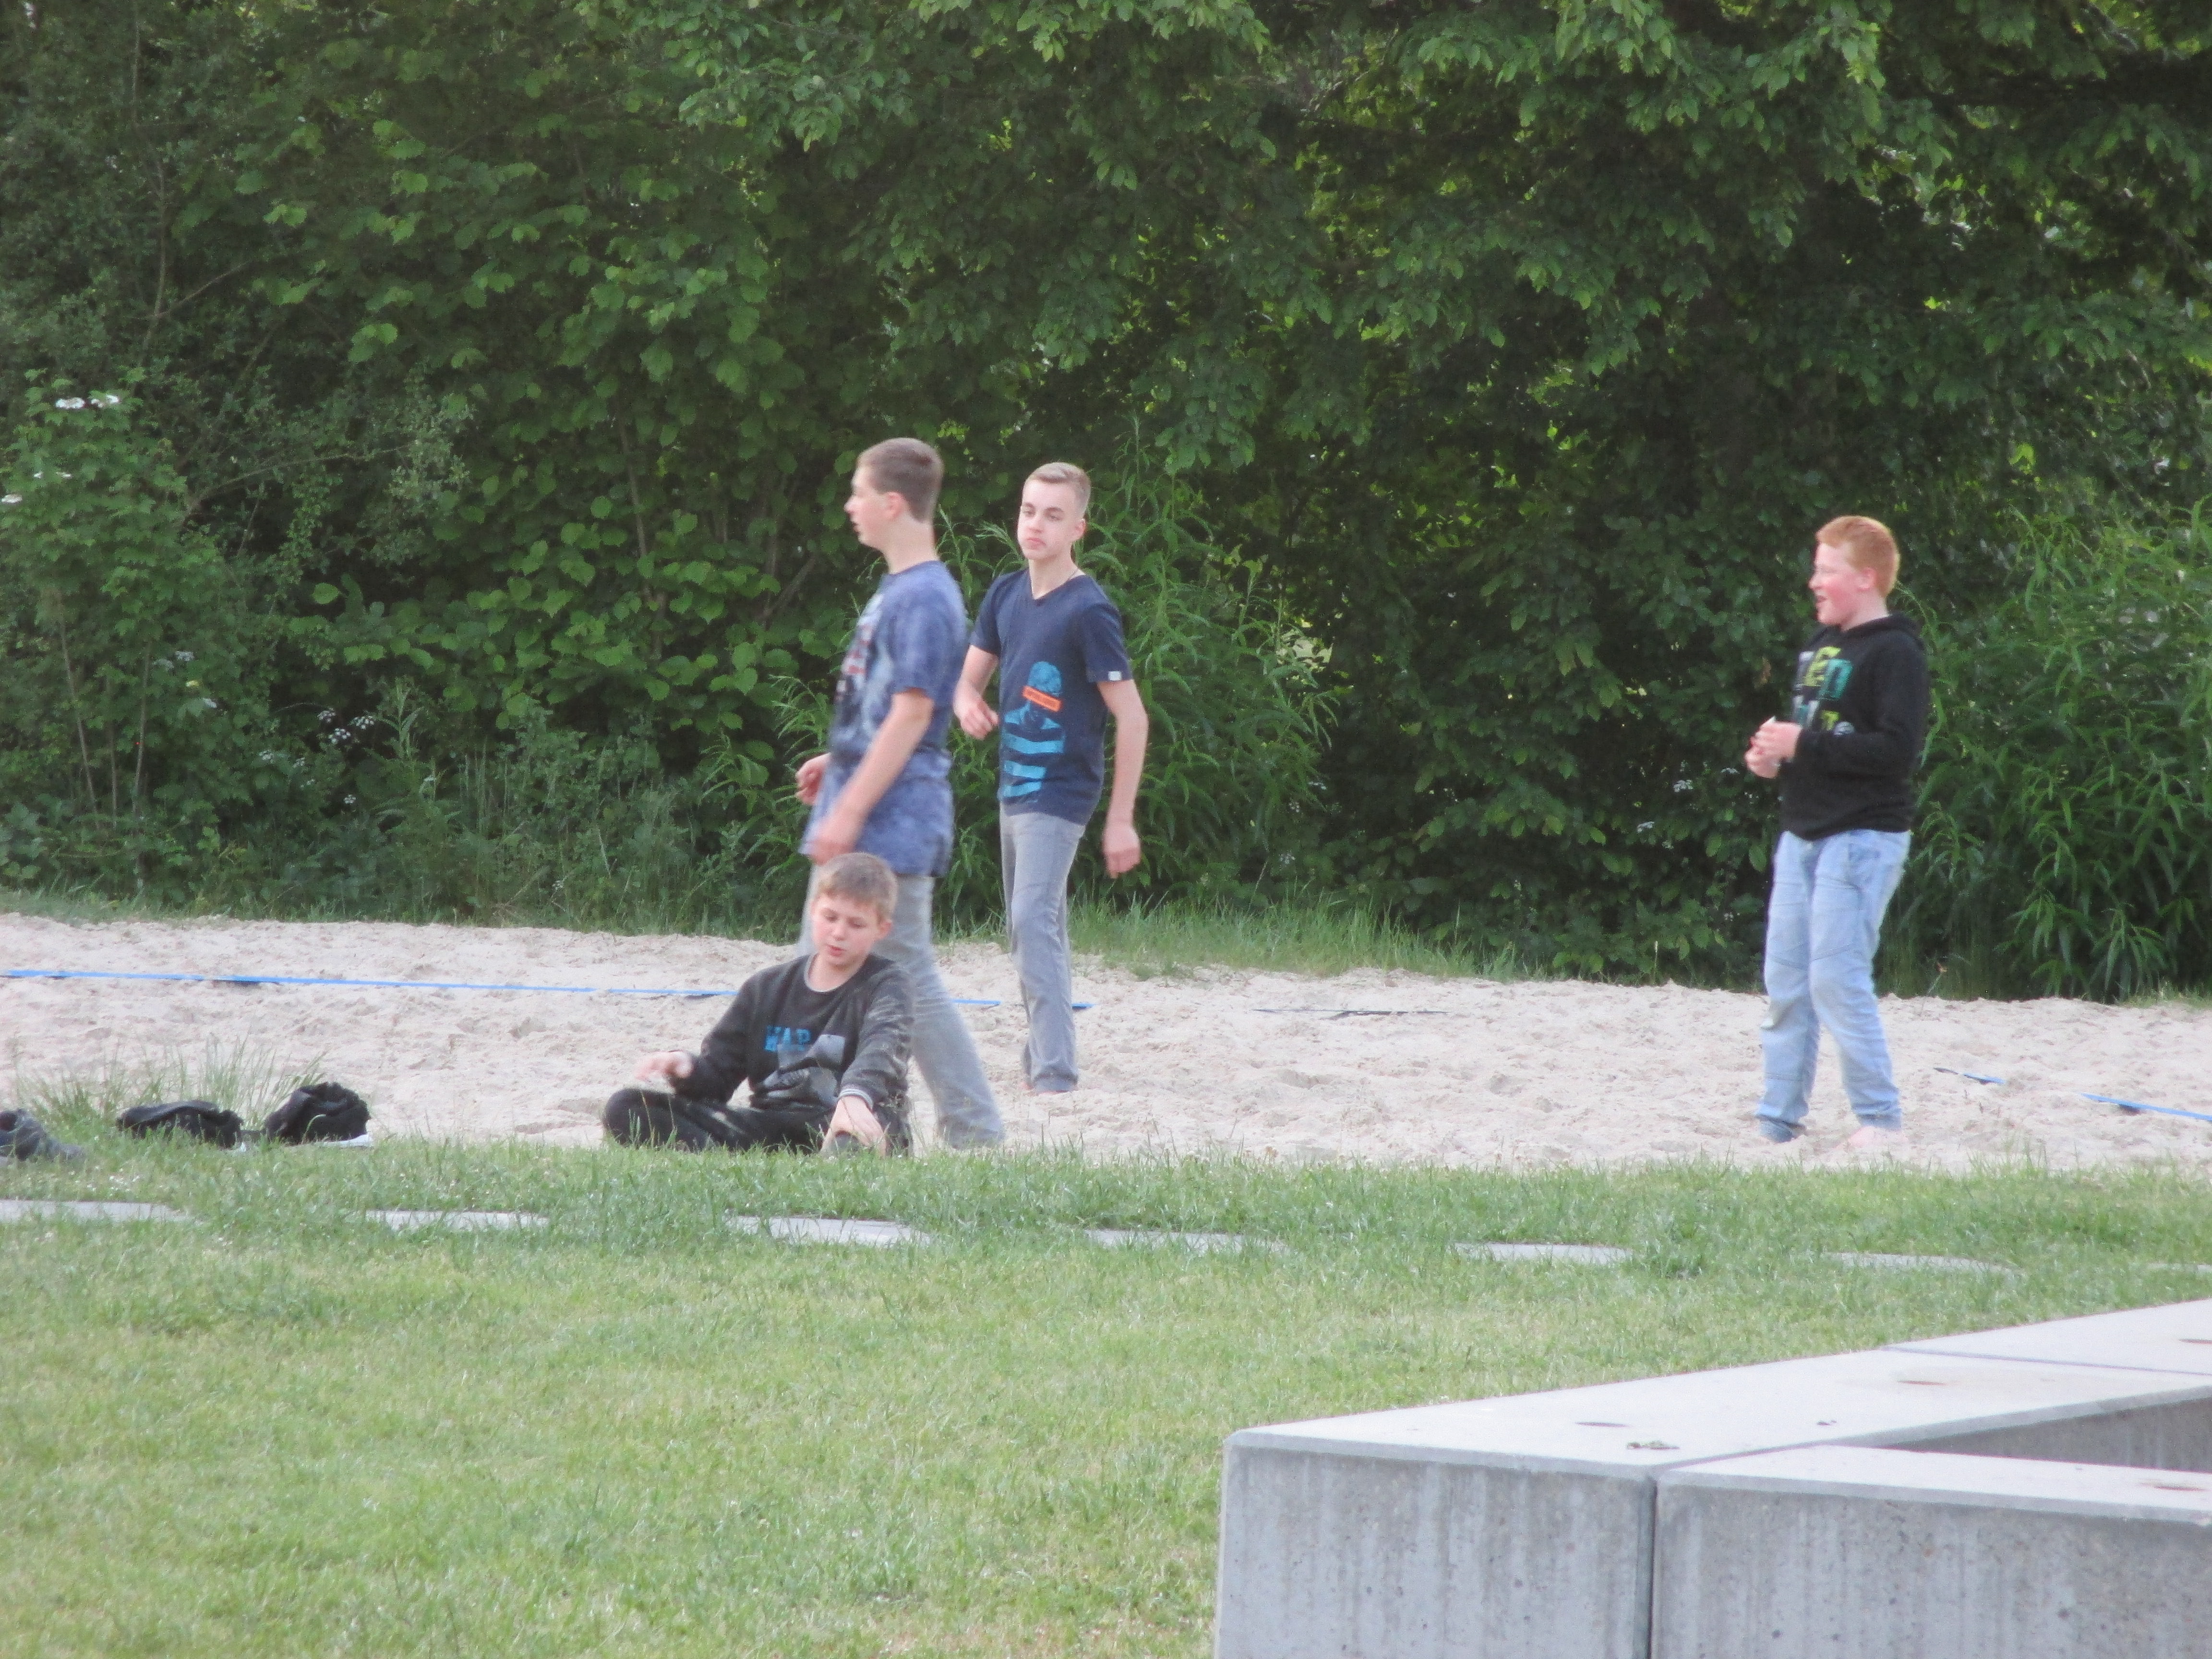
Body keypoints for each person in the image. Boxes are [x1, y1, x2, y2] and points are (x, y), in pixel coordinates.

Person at [792, 438, 1005, 1148]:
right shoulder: (899, 588)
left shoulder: (925, 596)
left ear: (891, 503)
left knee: (902, 971)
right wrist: (841, 760)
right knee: (821, 964)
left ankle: (975, 1131)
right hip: (869, 805)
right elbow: (891, 708)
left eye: (858, 494)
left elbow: (916, 714)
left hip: (892, 822)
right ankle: (817, 1117)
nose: (849, 507)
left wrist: (851, 808)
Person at [954, 462, 1148, 1093]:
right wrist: (966, 703)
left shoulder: (1089, 610)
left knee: (1031, 921)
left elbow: (1133, 717)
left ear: (1078, 530)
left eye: (1053, 515)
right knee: (1034, 926)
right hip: (1014, 785)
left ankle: (1055, 1074)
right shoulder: (1005, 594)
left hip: (1061, 791)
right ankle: (1044, 1057)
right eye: (1029, 510)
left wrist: (1121, 820)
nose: (1036, 524)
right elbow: (966, 681)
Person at [1744, 515, 1930, 1150]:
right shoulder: (1821, 643)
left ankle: (1880, 1121)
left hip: (1861, 840)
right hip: (1801, 835)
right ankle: (1777, 1122)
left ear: (1866, 577)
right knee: (1786, 984)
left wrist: (1804, 745)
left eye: (1827, 570)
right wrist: (1776, 757)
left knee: (1836, 979)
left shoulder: (1896, 652)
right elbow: (1816, 737)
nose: (1814, 581)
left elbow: (1896, 751)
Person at [603, 852, 913, 1154]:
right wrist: (687, 1068)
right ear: (813, 910)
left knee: (854, 1140)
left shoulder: (887, 983)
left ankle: (824, 1165)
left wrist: (856, 1097)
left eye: (856, 924)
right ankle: (722, 1160)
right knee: (626, 1107)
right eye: (830, 917)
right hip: (772, 1126)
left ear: (881, 929)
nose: (839, 933)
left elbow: (882, 1048)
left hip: (856, 1116)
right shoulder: (765, 988)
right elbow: (718, 1081)